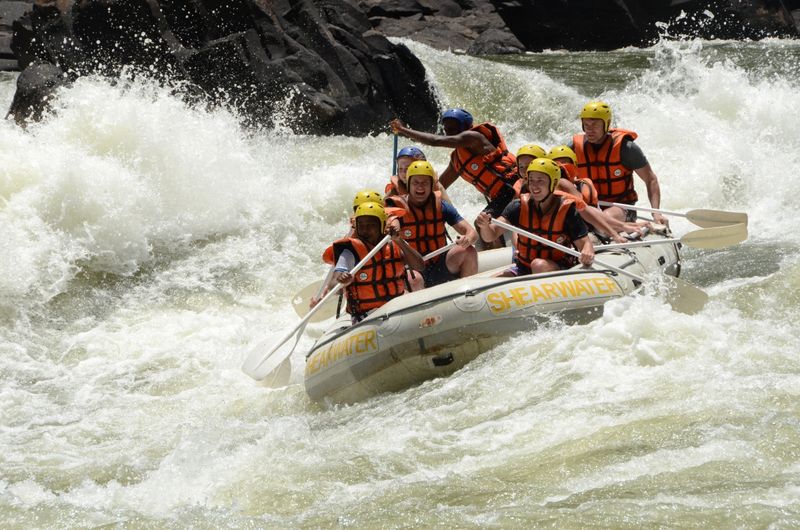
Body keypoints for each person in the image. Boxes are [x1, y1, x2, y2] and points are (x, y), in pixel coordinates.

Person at [390, 109, 518, 247]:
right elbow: (440, 185)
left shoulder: (474, 138)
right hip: (499, 197)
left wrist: (403, 130)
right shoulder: (457, 159)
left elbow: (435, 141)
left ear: (465, 127)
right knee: (482, 222)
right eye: (446, 130)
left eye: (453, 129)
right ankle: (493, 250)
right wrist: (410, 190)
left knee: (480, 222)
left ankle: (495, 252)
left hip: (511, 189)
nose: (449, 134)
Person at [475, 158, 594, 276]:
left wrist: (587, 251)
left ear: (553, 183)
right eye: (531, 180)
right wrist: (485, 226)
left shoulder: (567, 210)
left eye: (540, 180)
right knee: (493, 280)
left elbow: (585, 244)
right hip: (523, 267)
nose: (534, 186)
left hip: (558, 268)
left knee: (538, 265)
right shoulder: (517, 207)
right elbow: (490, 236)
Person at [320, 201, 424, 323]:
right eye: (361, 225)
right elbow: (333, 285)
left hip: (397, 307)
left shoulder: (395, 243)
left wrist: (399, 241)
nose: (365, 230)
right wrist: (342, 281)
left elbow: (419, 266)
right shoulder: (350, 251)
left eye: (370, 225)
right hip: (367, 316)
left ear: (382, 226)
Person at [384, 160, 478, 290]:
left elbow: (472, 233)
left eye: (425, 183)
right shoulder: (396, 206)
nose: (420, 187)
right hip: (413, 268)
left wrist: (467, 239)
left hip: (441, 263)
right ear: (408, 184)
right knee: (413, 279)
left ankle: (469, 293)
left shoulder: (442, 206)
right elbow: (393, 219)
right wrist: (394, 228)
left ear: (431, 185)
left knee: (468, 251)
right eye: (416, 182)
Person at [570, 101, 668, 225]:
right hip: (589, 207)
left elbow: (651, 179)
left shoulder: (626, 148)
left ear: (606, 125)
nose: (590, 130)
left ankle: (634, 226)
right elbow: (557, 178)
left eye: (595, 125)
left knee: (604, 218)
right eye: (586, 125)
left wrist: (656, 213)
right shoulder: (574, 148)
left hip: (622, 208)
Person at [547, 145, 649, 242]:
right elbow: (586, 210)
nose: (562, 167)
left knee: (599, 224)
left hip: (587, 227)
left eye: (565, 162)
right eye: (557, 164)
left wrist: (622, 226)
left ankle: (617, 227)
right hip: (563, 232)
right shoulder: (557, 185)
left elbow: (587, 210)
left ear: (574, 164)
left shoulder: (581, 185)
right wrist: (620, 229)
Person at [385, 146, 451, 202]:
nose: (403, 172)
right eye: (400, 169)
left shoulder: (435, 185)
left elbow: (450, 207)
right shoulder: (395, 190)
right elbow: (382, 208)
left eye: (407, 168)